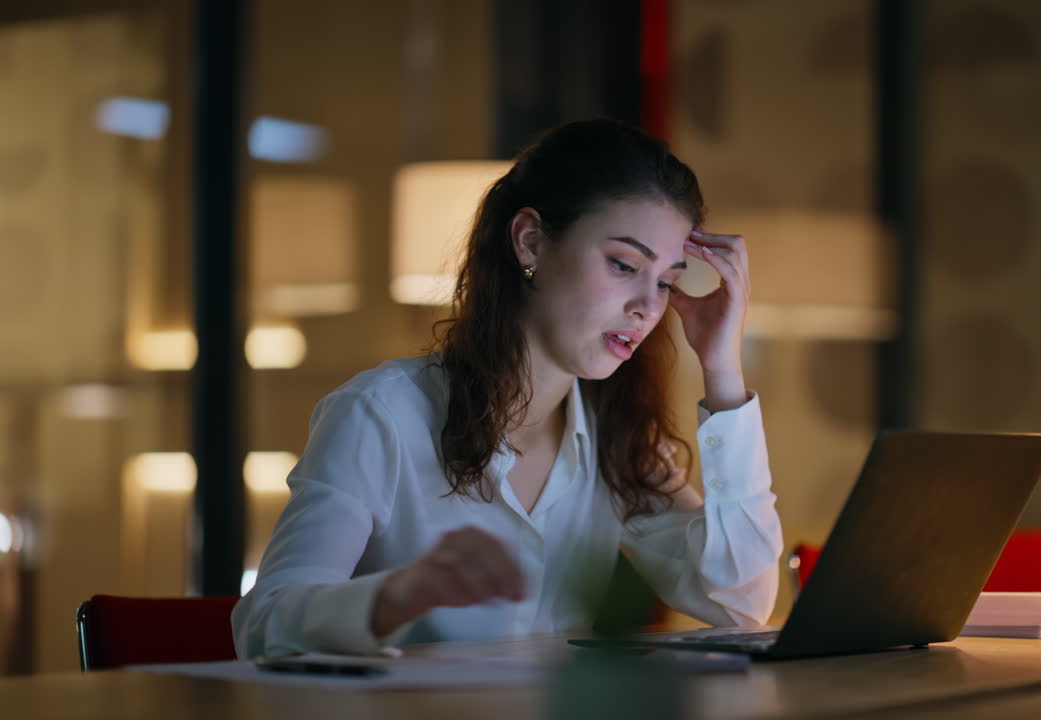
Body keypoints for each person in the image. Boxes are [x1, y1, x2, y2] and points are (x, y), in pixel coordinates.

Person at [232, 118, 783, 658]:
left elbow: (741, 602)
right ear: (530, 242)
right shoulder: (381, 415)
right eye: (623, 264)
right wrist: (396, 597)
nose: (647, 306)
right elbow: (265, 621)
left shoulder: (618, 433)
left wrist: (722, 370)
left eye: (665, 281)